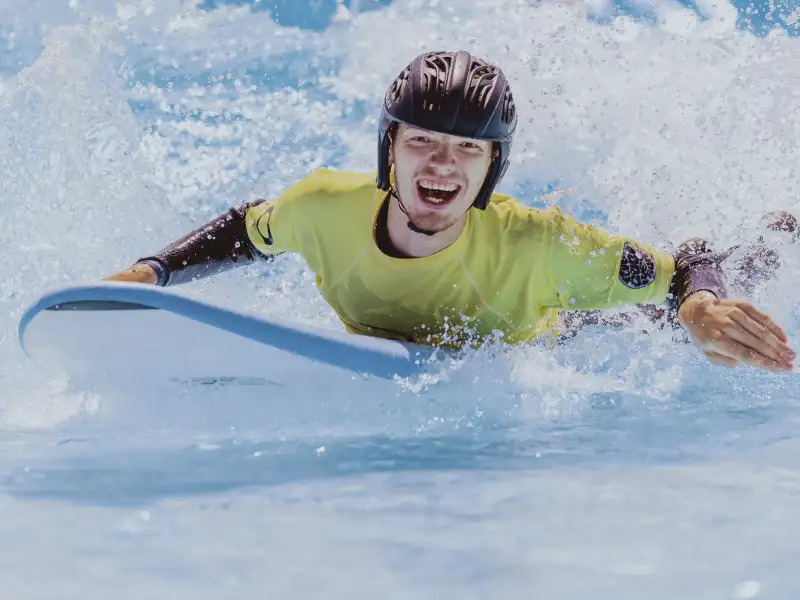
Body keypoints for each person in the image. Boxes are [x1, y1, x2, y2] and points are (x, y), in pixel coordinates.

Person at [106, 50, 796, 373]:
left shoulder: (538, 245)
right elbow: (245, 230)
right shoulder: (323, 207)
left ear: (492, 167)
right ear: (390, 151)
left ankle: (780, 232)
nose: (442, 165)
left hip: (563, 337)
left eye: (468, 150)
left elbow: (685, 268)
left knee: (698, 298)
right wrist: (152, 272)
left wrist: (701, 306)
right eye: (424, 143)